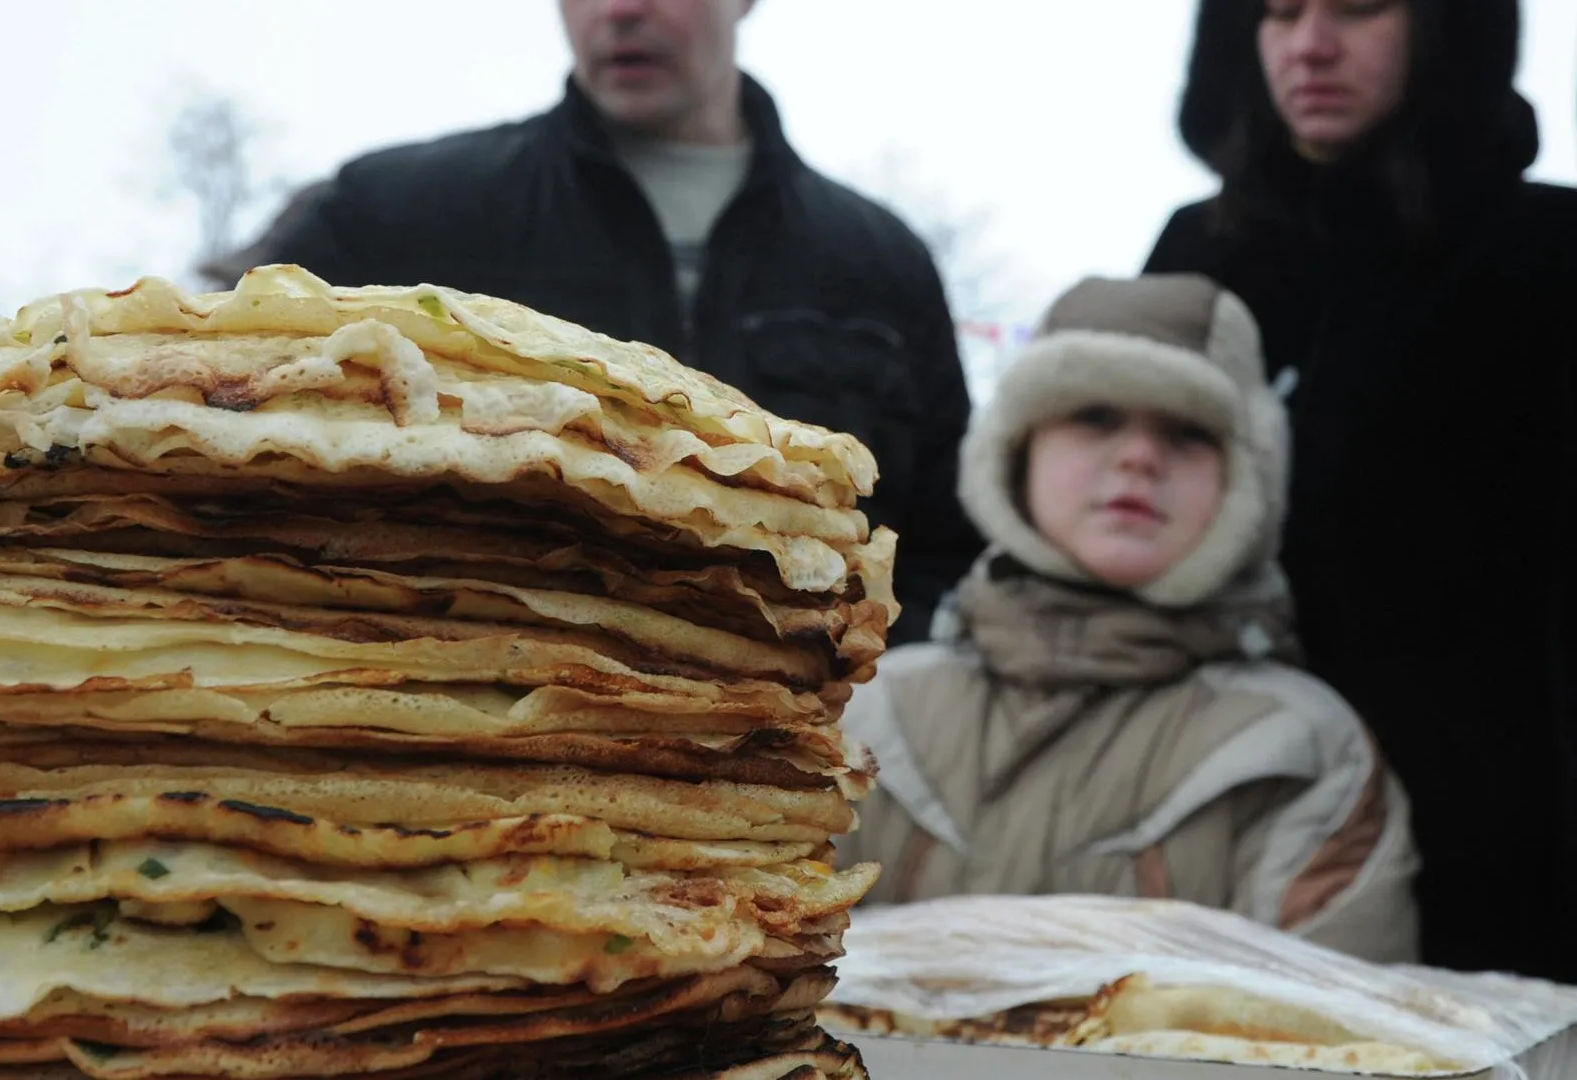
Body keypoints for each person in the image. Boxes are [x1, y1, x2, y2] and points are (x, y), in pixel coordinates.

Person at [224, 0, 982, 643]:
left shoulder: (879, 260)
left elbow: (941, 532)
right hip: (450, 736)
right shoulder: (398, 212)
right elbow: (224, 415)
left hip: (778, 760)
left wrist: (848, 678)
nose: (619, 10)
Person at [1143, 0, 1577, 979]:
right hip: (1224, 824)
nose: (1310, 45)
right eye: (1279, 13)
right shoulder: (1197, 255)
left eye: (1356, 8)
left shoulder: (1549, 255)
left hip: (1494, 860)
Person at [836, 275, 1419, 964]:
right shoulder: (868, 711)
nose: (1140, 456)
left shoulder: (1306, 751)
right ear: (1016, 452)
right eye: (1095, 416)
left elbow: (1349, 1047)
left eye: (1188, 431)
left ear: (1245, 480)